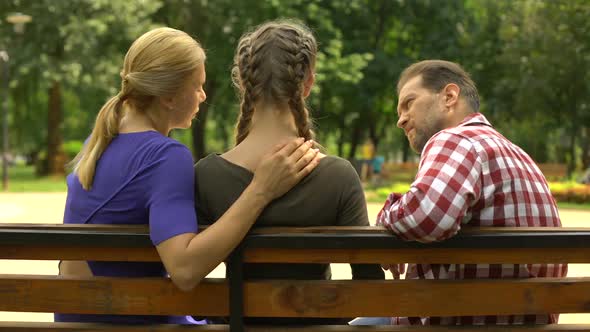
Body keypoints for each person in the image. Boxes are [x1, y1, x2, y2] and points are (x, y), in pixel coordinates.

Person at [58, 27, 319, 325]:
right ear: (169, 97)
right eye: (197, 86)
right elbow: (184, 270)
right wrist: (261, 190)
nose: (203, 96)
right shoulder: (164, 156)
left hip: (84, 318)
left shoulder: (99, 143)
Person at [194, 20, 384, 324]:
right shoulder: (338, 176)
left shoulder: (206, 175)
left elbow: (195, 297)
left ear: (243, 82)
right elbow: (370, 288)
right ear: (307, 84)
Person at [364, 60, 566, 325]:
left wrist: (386, 215)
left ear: (449, 96)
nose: (400, 120)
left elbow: (428, 217)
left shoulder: (456, 139)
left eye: (408, 103)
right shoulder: (519, 154)